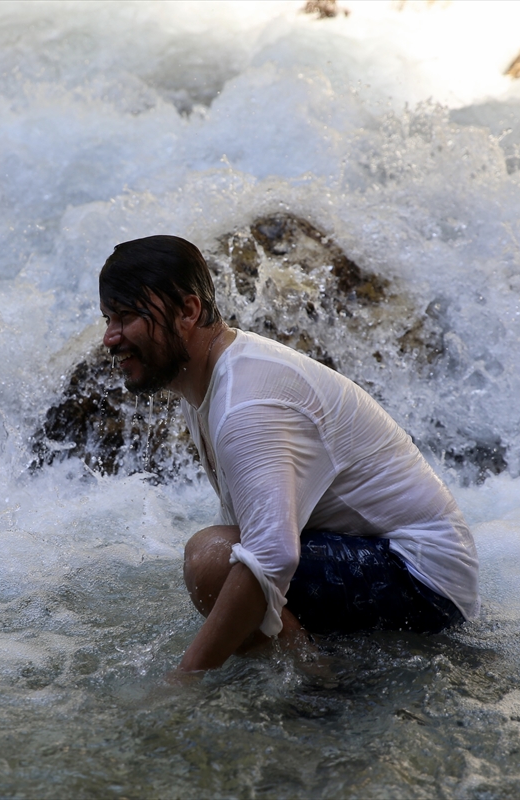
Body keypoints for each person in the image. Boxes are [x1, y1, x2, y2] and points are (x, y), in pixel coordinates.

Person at [98, 235, 479, 675]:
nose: (110, 338)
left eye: (127, 317)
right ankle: (315, 665)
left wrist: (182, 682)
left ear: (188, 311)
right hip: (393, 558)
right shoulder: (207, 381)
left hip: (425, 580)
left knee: (211, 560)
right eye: (108, 319)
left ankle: (316, 679)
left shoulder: (247, 401)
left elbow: (271, 554)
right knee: (222, 558)